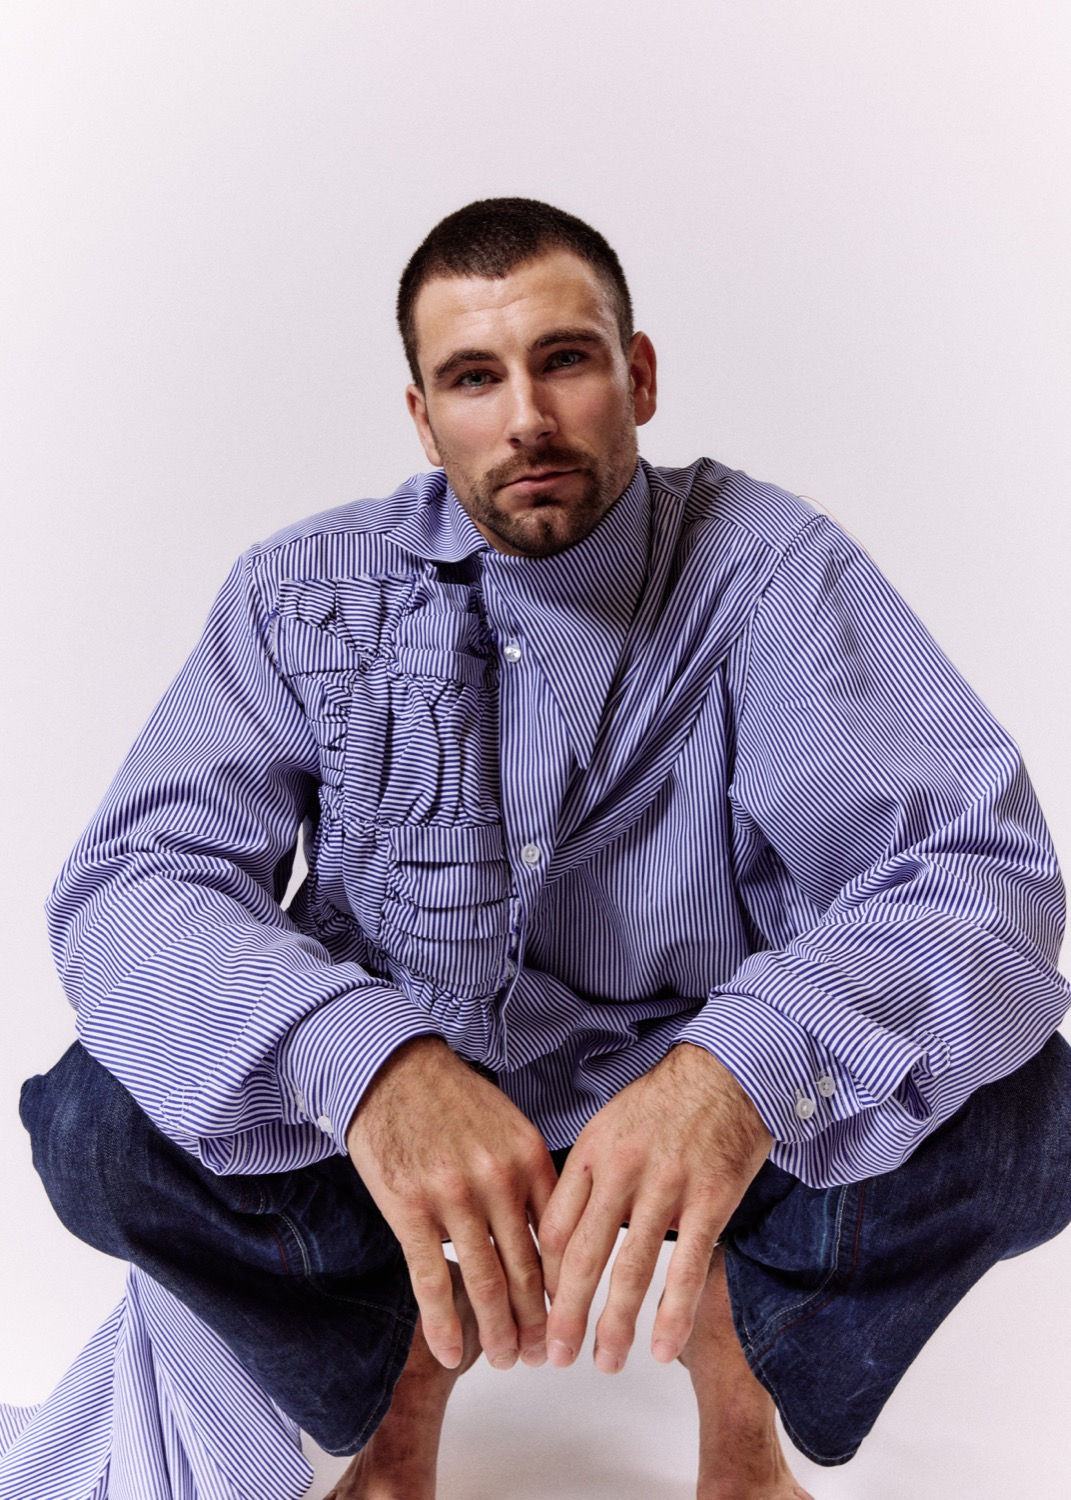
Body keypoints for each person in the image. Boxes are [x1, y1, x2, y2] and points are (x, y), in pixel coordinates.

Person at [8, 197, 1071, 1500]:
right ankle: (398, 1404)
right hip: (402, 1135)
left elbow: (980, 871)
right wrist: (366, 1064)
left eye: (563, 360)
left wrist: (742, 1072)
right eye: (474, 377)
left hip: (699, 1119)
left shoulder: (774, 571)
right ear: (423, 419)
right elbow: (133, 881)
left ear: (639, 376)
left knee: (1030, 1121)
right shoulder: (302, 592)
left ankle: (741, 1413)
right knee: (98, 1123)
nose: (526, 417)